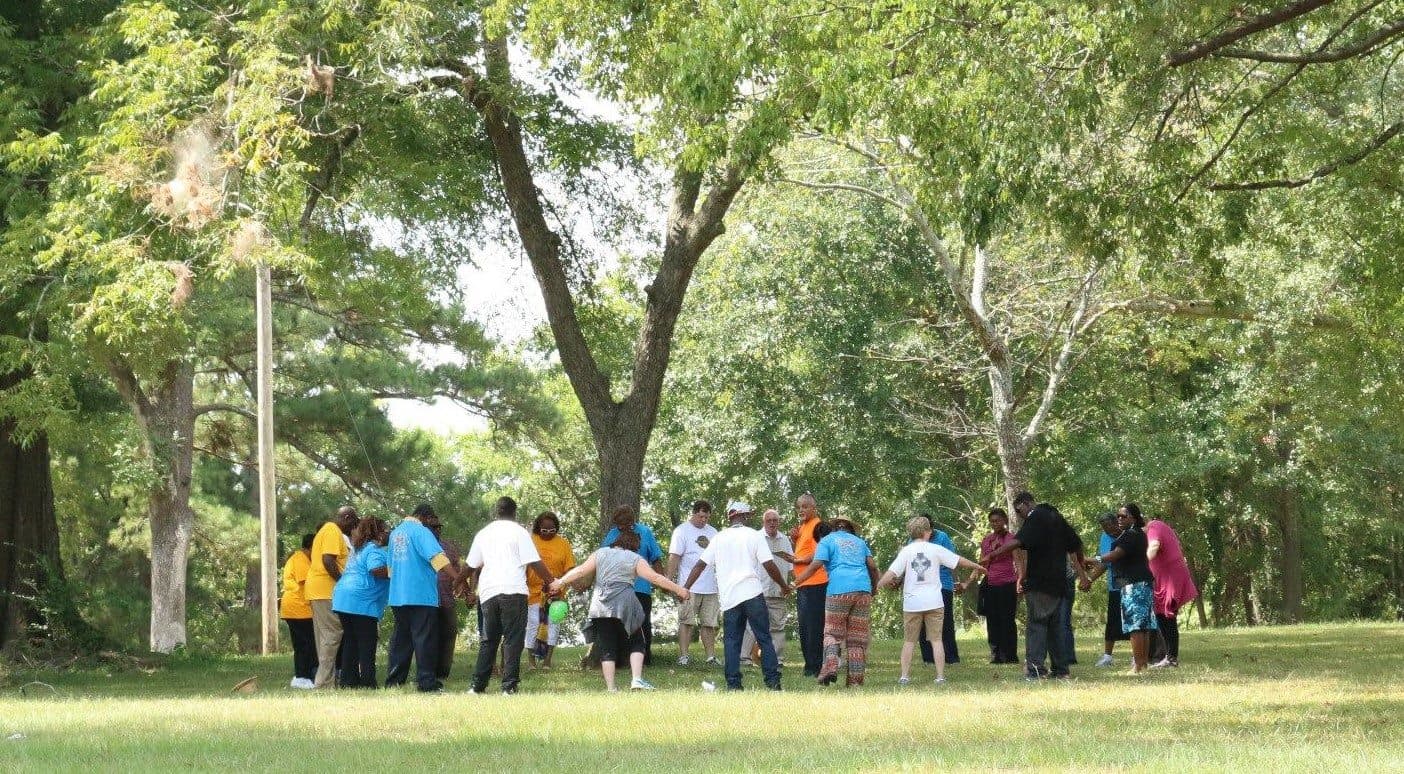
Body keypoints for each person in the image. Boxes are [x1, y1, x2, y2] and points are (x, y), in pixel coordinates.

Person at [551, 524, 690, 692]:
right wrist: (679, 590)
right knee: (637, 641)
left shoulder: (600, 553)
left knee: (607, 646)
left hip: (600, 605)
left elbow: (580, 571)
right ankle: (637, 680)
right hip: (625, 603)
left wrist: (560, 582)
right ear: (633, 545)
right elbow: (655, 577)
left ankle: (611, 688)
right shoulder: (635, 558)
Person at [683, 501, 791, 691]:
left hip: (730, 597)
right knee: (764, 637)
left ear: (729, 517)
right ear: (746, 516)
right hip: (752, 593)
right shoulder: (754, 536)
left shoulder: (718, 538)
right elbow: (769, 565)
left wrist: (685, 588)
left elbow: (700, 565)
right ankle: (773, 681)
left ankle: (733, 684)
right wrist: (784, 585)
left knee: (732, 640)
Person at [986, 492, 1092, 680]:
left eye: (1019, 511)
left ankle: (1035, 669)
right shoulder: (1056, 516)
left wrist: (994, 554)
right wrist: (1082, 568)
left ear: (1026, 504)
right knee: (1056, 627)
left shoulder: (1036, 517)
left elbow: (1018, 541)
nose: (1020, 516)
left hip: (1041, 582)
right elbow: (1076, 543)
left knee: (1037, 625)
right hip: (1059, 581)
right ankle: (1061, 670)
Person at [464, 496, 556, 695]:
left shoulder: (483, 533)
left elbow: (471, 565)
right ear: (514, 513)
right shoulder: (520, 532)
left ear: (496, 513)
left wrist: (458, 581)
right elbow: (534, 561)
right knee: (513, 639)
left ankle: (477, 686)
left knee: (489, 639)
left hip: (489, 591)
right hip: (514, 590)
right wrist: (552, 582)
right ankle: (509, 687)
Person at [879, 516, 986, 684]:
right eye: (929, 530)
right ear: (926, 532)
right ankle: (940, 676)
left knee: (909, 641)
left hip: (912, 603)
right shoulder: (935, 549)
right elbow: (958, 560)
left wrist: (877, 586)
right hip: (934, 602)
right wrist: (976, 566)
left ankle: (904, 676)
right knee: (936, 640)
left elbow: (892, 573)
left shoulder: (906, 551)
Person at [793, 512, 879, 686]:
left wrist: (796, 582)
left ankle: (830, 667)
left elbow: (815, 565)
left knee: (832, 632)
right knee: (857, 638)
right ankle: (855, 681)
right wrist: (874, 588)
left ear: (835, 527)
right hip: (863, 590)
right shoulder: (861, 542)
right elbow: (873, 567)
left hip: (839, 589)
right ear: (851, 528)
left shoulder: (827, 540)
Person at [384, 503, 460, 692]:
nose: (433, 525)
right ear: (425, 517)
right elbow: (439, 559)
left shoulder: (395, 534)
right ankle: (426, 683)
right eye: (432, 521)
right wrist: (459, 580)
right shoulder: (421, 531)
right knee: (424, 639)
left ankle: (394, 681)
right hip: (420, 595)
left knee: (402, 640)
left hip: (398, 595)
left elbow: (390, 569)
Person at [1088, 505, 1157, 673]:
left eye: (1123, 516)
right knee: (1142, 625)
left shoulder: (1132, 534)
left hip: (1135, 584)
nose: (1119, 519)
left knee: (1136, 626)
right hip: (1139, 582)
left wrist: (1090, 558)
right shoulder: (1134, 534)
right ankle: (1142, 663)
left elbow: (1114, 555)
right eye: (1118, 516)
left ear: (1133, 518)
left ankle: (1139, 665)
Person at [601, 506, 665, 665]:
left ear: (633, 520)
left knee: (642, 623)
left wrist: (662, 581)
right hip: (617, 588)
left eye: (626, 524)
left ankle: (644, 658)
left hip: (641, 587)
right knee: (619, 623)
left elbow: (656, 558)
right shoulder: (612, 534)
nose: (622, 528)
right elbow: (602, 559)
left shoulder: (644, 532)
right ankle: (622, 659)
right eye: (619, 525)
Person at [332, 516, 390, 688]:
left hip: (343, 599)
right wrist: (398, 570)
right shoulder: (373, 549)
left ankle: (348, 681)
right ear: (377, 532)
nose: (388, 534)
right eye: (385, 530)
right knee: (367, 642)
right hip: (362, 601)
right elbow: (376, 570)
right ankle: (368, 682)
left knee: (351, 641)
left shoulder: (358, 549)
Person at [304, 505, 358, 688]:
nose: (352, 530)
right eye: (352, 524)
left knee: (324, 637)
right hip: (326, 590)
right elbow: (328, 560)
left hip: (317, 589)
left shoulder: (325, 530)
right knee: (332, 635)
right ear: (347, 518)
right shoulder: (333, 530)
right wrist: (342, 582)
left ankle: (326, 681)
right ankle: (323, 683)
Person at [1144, 506, 1198, 668]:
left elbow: (1154, 546)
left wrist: (1142, 562)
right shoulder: (1158, 527)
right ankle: (1168, 657)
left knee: (1167, 618)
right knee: (1163, 617)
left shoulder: (1154, 526)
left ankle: (1171, 658)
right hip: (1165, 579)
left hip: (1170, 580)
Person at [740, 508, 793, 667]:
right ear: (763, 522)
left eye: (775, 520)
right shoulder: (755, 538)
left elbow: (791, 566)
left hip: (778, 591)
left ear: (779, 522)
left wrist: (792, 585)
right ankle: (743, 658)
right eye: (768, 520)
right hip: (757, 590)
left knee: (777, 626)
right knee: (751, 625)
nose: (772, 523)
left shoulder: (785, 540)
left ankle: (776, 659)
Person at [669, 500, 719, 665]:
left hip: (710, 586)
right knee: (686, 621)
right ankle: (684, 656)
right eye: (701, 516)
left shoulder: (713, 532)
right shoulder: (681, 531)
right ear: (694, 513)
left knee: (709, 623)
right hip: (688, 586)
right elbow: (674, 557)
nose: (704, 520)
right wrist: (669, 581)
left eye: (707, 517)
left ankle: (711, 657)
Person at [527, 511, 576, 669]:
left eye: (552, 530)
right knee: (533, 626)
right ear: (538, 528)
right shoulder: (530, 541)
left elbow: (570, 569)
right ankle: (531, 662)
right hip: (533, 593)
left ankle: (547, 661)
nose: (548, 533)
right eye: (544, 530)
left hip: (556, 594)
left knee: (553, 625)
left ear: (557, 529)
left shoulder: (563, 544)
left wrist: (563, 584)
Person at [789, 493, 829, 677]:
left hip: (816, 583)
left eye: (805, 506)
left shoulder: (818, 526)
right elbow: (802, 549)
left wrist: (799, 560)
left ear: (814, 508)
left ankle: (815, 666)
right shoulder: (802, 527)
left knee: (814, 626)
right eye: (799, 507)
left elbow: (821, 552)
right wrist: (794, 540)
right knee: (804, 626)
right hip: (803, 584)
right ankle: (809, 664)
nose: (801, 510)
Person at [423, 509, 464, 680]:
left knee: (449, 633)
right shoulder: (421, 544)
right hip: (427, 598)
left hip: (446, 597)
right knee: (429, 635)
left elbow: (457, 567)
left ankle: (443, 672)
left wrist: (461, 584)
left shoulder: (448, 546)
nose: (437, 530)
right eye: (433, 527)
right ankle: (428, 671)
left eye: (439, 526)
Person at [978, 508, 1019, 664]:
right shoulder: (986, 540)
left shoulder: (1010, 538)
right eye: (992, 521)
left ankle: (1010, 655)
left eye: (998, 521)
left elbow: (1017, 560)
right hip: (990, 583)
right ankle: (995, 654)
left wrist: (1020, 578)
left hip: (1008, 583)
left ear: (1004, 521)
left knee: (1007, 619)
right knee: (992, 619)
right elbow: (983, 561)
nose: (995, 524)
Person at [917, 518, 961, 666]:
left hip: (942, 584)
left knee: (946, 620)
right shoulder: (914, 539)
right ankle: (928, 658)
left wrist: (955, 581)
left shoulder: (942, 537)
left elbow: (952, 560)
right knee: (923, 621)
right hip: (921, 585)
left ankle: (951, 657)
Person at [279, 533, 317, 689]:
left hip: (300, 608)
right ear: (311, 547)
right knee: (304, 644)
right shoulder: (300, 559)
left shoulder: (301, 558)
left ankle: (307, 675)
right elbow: (306, 580)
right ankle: (302, 676)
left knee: (308, 643)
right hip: (298, 608)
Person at [1090, 512, 1128, 667]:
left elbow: (1112, 557)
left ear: (1117, 523)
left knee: (1132, 619)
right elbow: (1105, 562)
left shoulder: (1128, 535)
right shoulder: (1105, 537)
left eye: (1110, 526)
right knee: (1112, 620)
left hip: (1131, 581)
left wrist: (1091, 561)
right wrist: (1089, 579)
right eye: (1104, 528)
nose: (1108, 531)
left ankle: (1137, 654)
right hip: (1115, 583)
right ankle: (1107, 656)